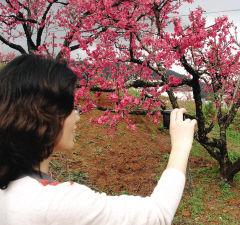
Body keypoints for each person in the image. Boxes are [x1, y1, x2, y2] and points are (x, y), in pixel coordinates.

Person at [0, 54, 197, 225]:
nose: (77, 116)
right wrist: (181, 146)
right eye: (71, 108)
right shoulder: (56, 204)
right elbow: (158, 215)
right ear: (44, 115)